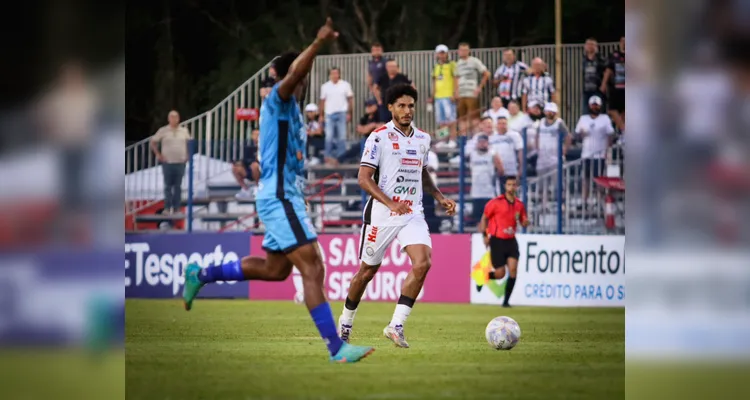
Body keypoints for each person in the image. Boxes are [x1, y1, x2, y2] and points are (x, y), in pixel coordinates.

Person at [181, 18, 375, 364]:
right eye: (301, 76)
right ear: (292, 77)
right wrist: (316, 44)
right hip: (279, 197)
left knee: (276, 270)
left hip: (284, 196)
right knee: (313, 268)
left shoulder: (294, 114)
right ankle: (336, 348)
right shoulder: (276, 99)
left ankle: (201, 274)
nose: (303, 82)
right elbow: (293, 76)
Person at [338, 83, 457, 348]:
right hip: (382, 214)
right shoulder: (378, 137)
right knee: (367, 272)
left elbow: (422, 172)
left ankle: (396, 325)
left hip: (412, 211)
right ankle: (345, 323)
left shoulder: (423, 139)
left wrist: (440, 197)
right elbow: (363, 178)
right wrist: (391, 202)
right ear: (390, 107)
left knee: (423, 263)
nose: (407, 110)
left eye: (411, 106)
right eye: (401, 106)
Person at [478, 177, 529, 307]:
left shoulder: (519, 204)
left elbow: (523, 221)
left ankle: (506, 301)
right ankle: (482, 277)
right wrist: (485, 235)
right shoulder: (495, 202)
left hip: (511, 241)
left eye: (514, 184)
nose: (511, 187)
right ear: (505, 186)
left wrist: (526, 222)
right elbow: (484, 218)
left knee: (513, 269)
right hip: (497, 241)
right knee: (500, 274)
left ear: (516, 187)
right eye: (509, 184)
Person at [150, 110, 191, 214]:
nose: (174, 119)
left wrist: (188, 155)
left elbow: (189, 143)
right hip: (167, 162)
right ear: (168, 119)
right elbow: (153, 142)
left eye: (176, 117)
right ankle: (167, 208)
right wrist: (158, 154)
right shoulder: (163, 130)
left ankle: (177, 208)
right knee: (168, 186)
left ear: (179, 118)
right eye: (172, 117)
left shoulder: (184, 131)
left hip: (180, 161)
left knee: (178, 186)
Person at [575, 95, 615, 204]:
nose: (594, 107)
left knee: (599, 180)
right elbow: (577, 135)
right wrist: (581, 134)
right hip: (586, 154)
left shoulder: (605, 118)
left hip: (600, 155)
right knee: (585, 179)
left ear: (600, 106)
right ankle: (584, 201)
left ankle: (599, 201)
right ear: (589, 106)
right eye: (593, 105)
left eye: (596, 105)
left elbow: (610, 135)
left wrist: (608, 151)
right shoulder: (583, 119)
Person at [318, 67, 354, 165]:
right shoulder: (325, 86)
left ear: (339, 74)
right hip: (329, 114)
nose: (334, 75)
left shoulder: (345, 85)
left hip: (342, 112)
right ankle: (328, 157)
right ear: (330, 75)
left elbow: (350, 99)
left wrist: (350, 113)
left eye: (336, 73)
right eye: (332, 73)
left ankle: (341, 158)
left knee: (342, 136)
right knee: (329, 136)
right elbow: (322, 101)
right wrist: (321, 115)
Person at [429, 44, 458, 146]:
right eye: (440, 53)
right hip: (438, 97)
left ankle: (452, 140)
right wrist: (432, 96)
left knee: (451, 119)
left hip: (448, 96)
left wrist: (455, 94)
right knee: (441, 121)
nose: (441, 55)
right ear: (437, 54)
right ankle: (443, 140)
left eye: (443, 53)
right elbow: (434, 82)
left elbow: (456, 79)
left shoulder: (452, 65)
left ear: (447, 54)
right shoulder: (436, 66)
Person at [468, 134, 496, 226]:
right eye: (480, 142)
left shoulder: (492, 154)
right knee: (477, 217)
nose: (482, 144)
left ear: (487, 143)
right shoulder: (472, 154)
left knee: (489, 216)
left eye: (484, 142)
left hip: (489, 191)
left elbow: (500, 169)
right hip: (476, 192)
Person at [233, 128, 261, 200]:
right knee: (236, 168)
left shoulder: (264, 147)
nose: (256, 136)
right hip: (250, 170)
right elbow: (245, 160)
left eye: (257, 134)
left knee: (255, 165)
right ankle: (245, 189)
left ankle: (259, 188)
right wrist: (238, 163)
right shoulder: (249, 147)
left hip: (261, 170)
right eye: (254, 134)